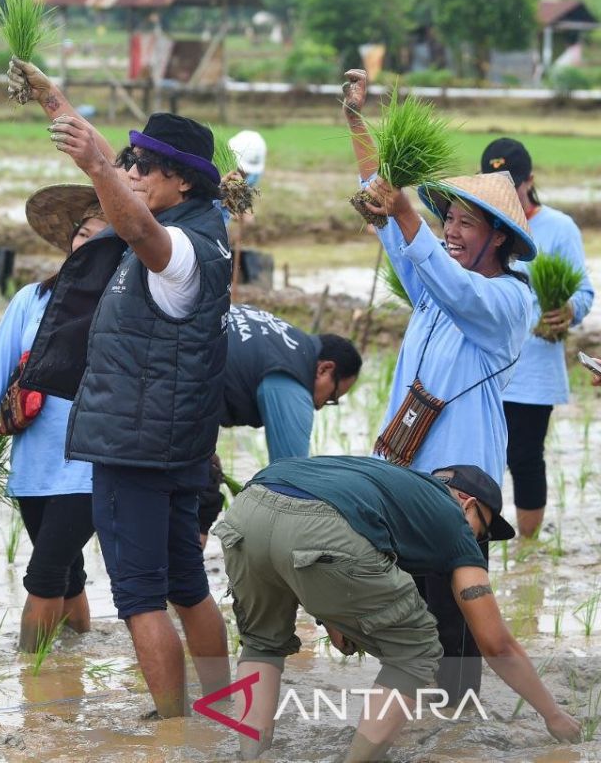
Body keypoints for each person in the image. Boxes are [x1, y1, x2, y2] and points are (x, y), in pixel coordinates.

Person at [10, 59, 233, 718]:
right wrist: (51, 97)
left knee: (139, 598)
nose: (131, 171)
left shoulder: (184, 250)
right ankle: (222, 708)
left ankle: (173, 727)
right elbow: (121, 180)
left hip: (136, 450)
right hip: (173, 446)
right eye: (129, 161)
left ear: (180, 181)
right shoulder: (206, 227)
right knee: (188, 587)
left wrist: (99, 172)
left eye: (144, 166)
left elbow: (135, 224)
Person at [343, 68, 535, 701]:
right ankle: (419, 722)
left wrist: (403, 210)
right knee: (408, 612)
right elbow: (391, 226)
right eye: (445, 219)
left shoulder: (507, 302)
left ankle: (456, 731)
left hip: (461, 485)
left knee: (452, 620)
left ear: (499, 237)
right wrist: (359, 130)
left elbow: (456, 286)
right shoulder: (432, 295)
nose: (449, 231)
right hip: (406, 471)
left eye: (464, 225)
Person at [214, 456, 580, 761]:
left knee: (262, 643)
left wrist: (330, 617)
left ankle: (250, 756)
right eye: (482, 530)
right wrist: (553, 715)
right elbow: (495, 643)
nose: (477, 541)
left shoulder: (394, 484)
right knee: (417, 649)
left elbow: (313, 521)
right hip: (319, 525)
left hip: (251, 506)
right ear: (468, 503)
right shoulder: (452, 518)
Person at [0, 184, 106, 651]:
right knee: (67, 573)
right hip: (34, 466)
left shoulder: (129, 307)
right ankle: (76, 657)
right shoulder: (32, 302)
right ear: (70, 243)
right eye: (83, 234)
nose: (90, 244)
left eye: (106, 237)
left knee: (44, 575)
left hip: (92, 467)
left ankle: (30, 684)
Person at [481, 138, 594, 538]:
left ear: (529, 181)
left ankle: (527, 547)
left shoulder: (559, 227)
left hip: (534, 366)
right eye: (493, 186)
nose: (504, 195)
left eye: (511, 185)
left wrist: (568, 312)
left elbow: (583, 291)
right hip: (486, 366)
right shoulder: (480, 225)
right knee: (479, 460)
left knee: (525, 457)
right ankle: (477, 542)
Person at [199, 305, 361, 544]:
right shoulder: (291, 382)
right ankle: (177, 579)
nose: (319, 407)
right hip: (169, 390)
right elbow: (291, 481)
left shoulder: (284, 336)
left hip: (152, 362)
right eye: (331, 398)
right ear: (325, 368)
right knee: (200, 498)